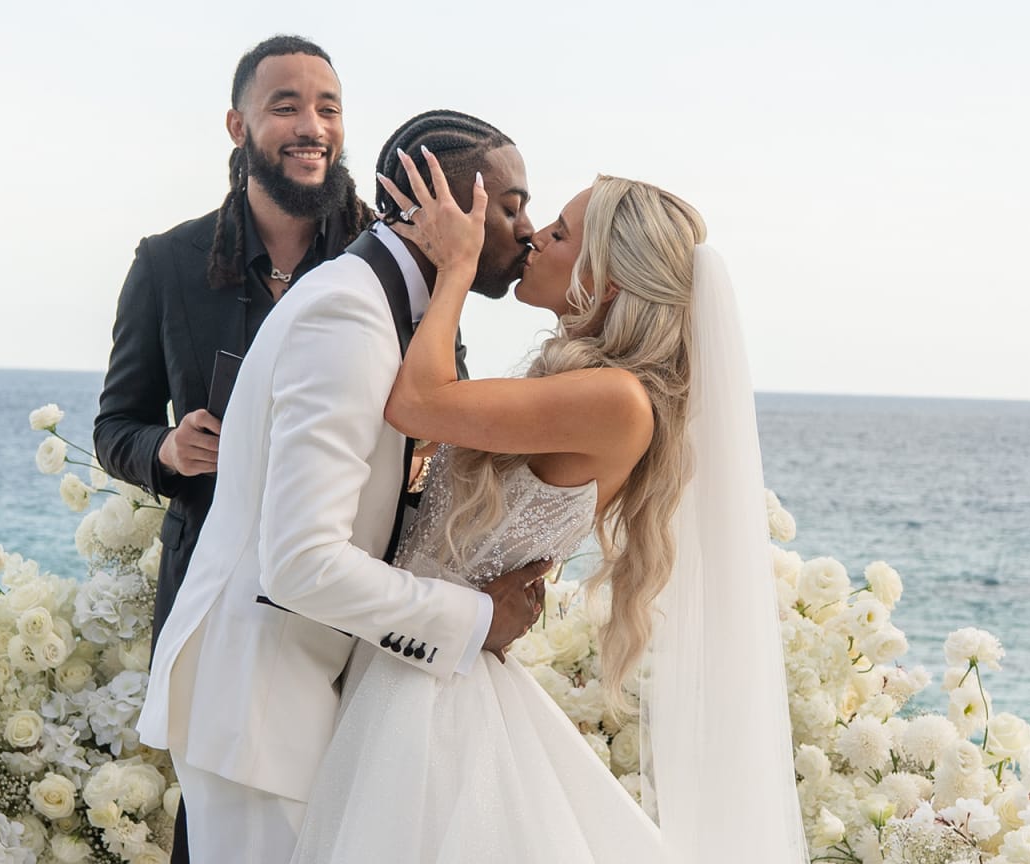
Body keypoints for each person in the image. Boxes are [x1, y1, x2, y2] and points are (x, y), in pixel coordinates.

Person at [289, 156, 808, 861]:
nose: (534, 239)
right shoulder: (586, 385)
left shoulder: (616, 400)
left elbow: (418, 402)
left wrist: (456, 269)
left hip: (431, 702)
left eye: (560, 235)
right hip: (420, 660)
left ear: (607, 275)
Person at [135, 110, 547, 864]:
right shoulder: (349, 317)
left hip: (288, 702)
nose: (528, 229)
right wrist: (473, 621)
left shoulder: (386, 307)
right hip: (259, 714)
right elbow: (302, 564)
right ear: (440, 209)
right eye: (512, 205)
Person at [94, 35, 376, 651]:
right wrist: (168, 448)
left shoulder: (388, 259)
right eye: (285, 107)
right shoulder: (166, 262)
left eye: (329, 109)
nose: (312, 127)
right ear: (237, 125)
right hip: (208, 597)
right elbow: (115, 428)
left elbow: (443, 404)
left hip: (354, 600)